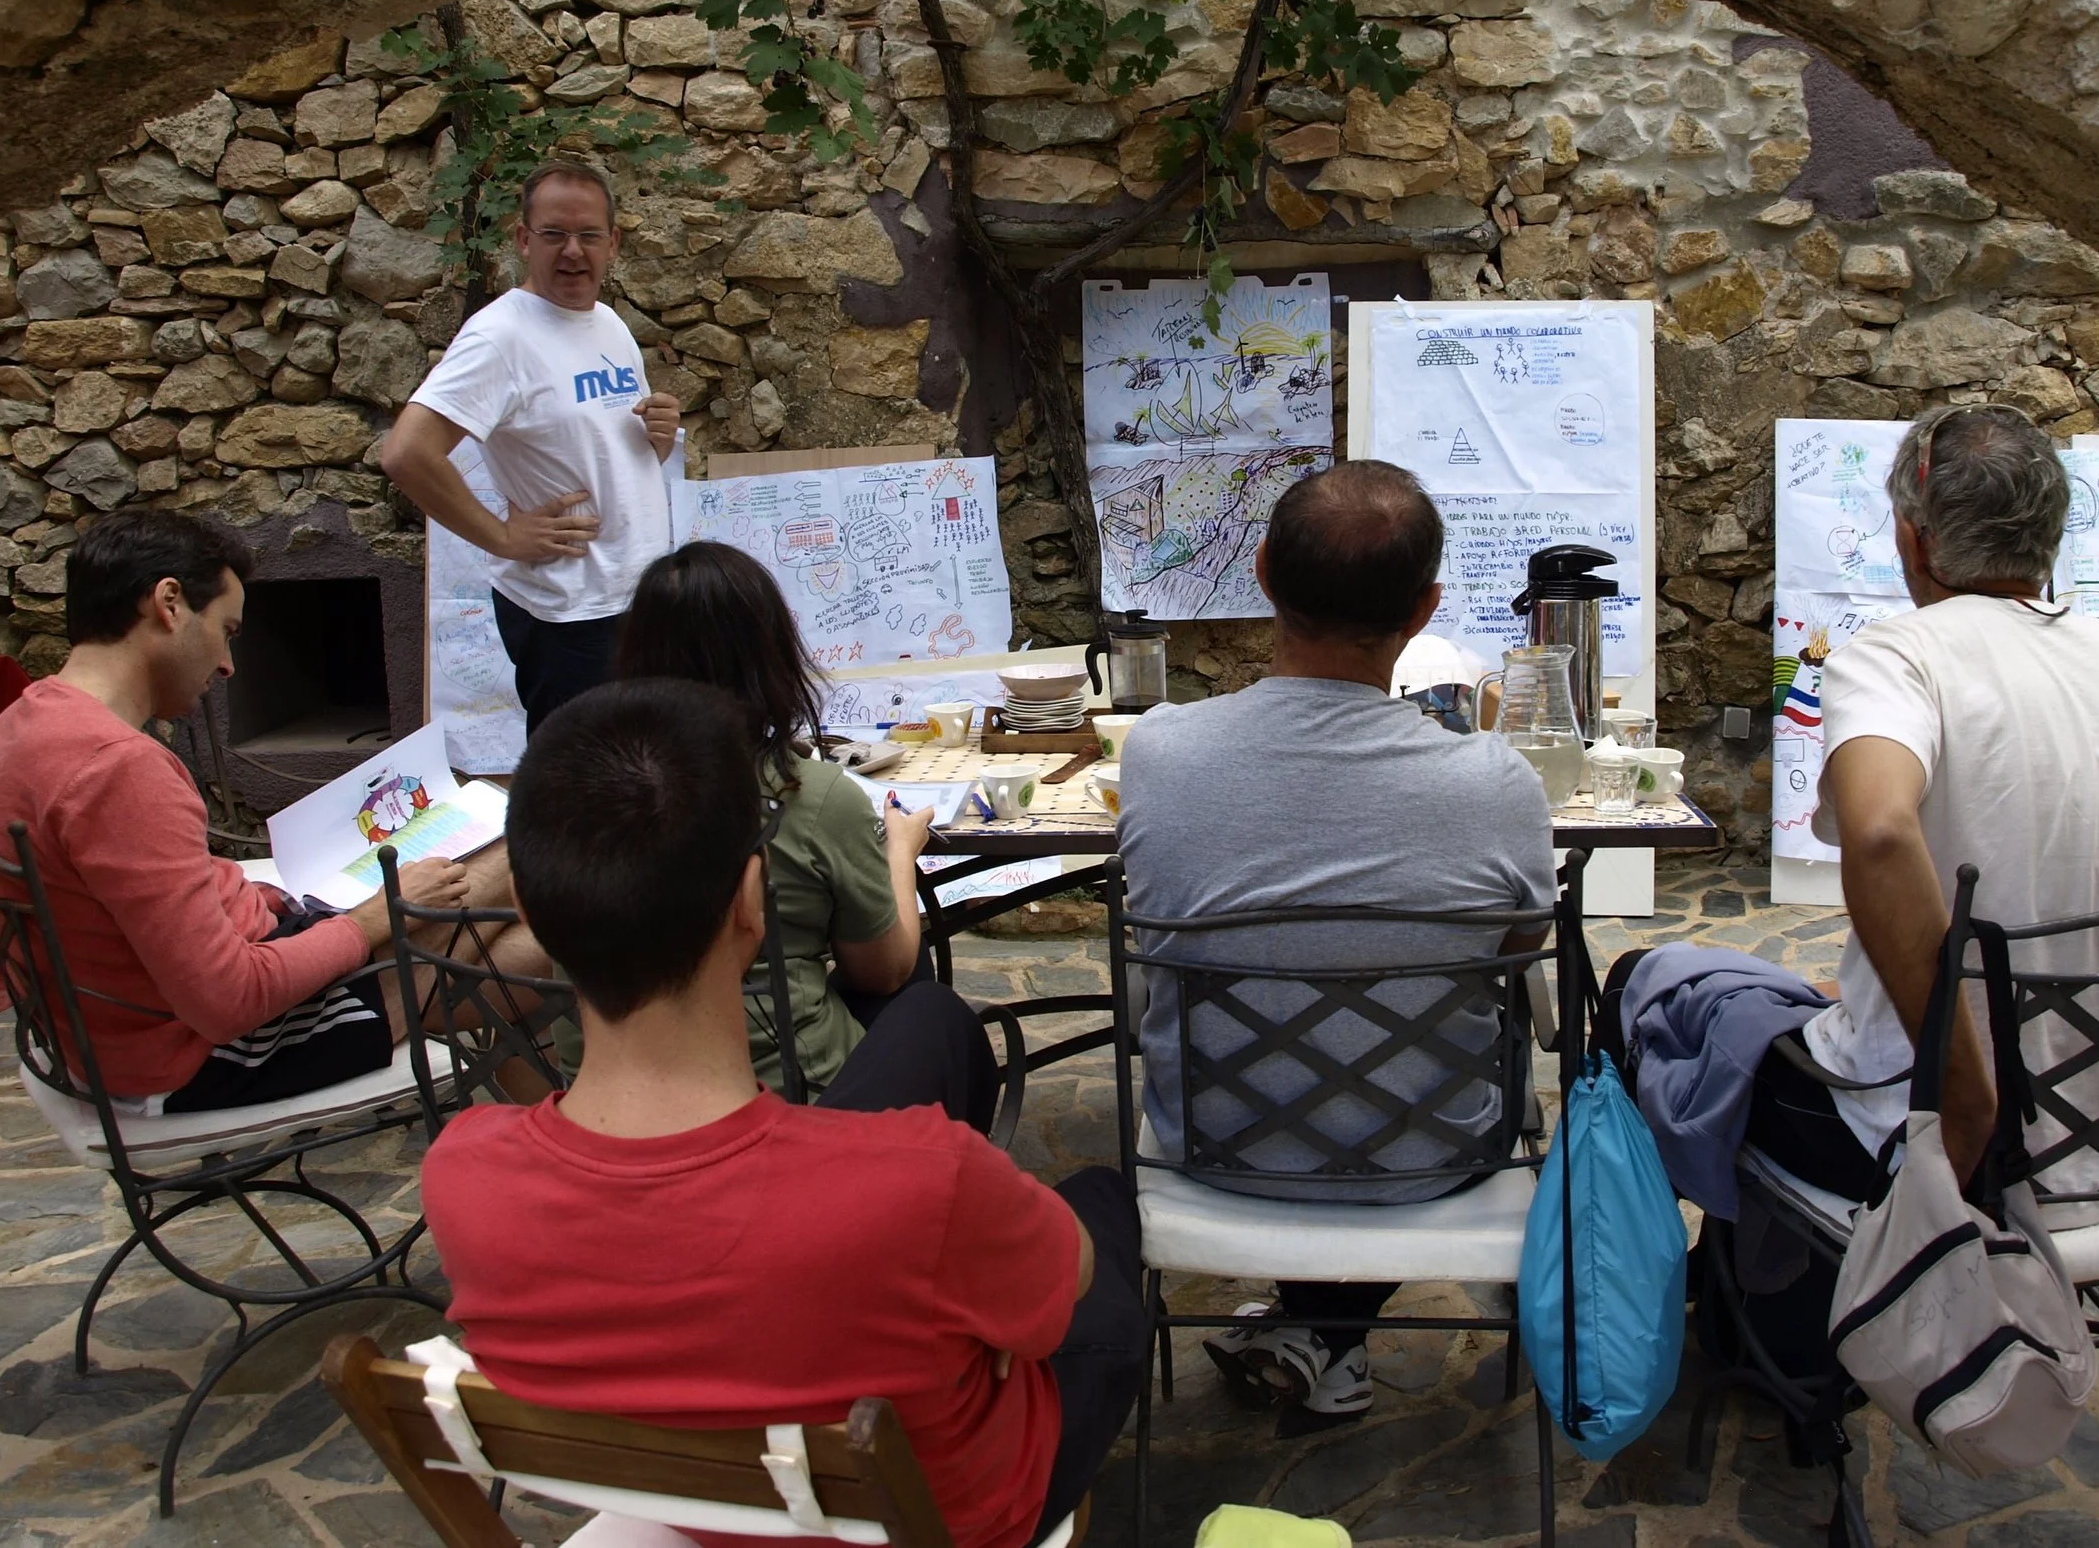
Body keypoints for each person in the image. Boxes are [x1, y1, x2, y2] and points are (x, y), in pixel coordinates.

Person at [421, 680, 1146, 1548]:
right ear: (751, 901)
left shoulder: (463, 1174)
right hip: (957, 1514)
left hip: (684, 1503)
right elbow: (1055, 1296)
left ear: (532, 914)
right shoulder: (924, 1178)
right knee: (1103, 1203)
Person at [1117, 460, 1556, 1426]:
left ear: (1264, 572)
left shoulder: (1160, 752)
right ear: (1427, 604)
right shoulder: (1495, 783)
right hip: (1434, 1153)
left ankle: (1315, 1331)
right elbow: (1518, 949)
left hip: (1216, 1146)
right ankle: (1328, 1335)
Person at [1771, 404, 2099, 1214]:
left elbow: (1875, 830)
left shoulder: (1898, 656)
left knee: (1662, 1005)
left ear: (1915, 538)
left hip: (1966, 1149)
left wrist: (1965, 1095)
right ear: (2049, 537)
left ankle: (1764, 1319)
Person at [0, 510, 504, 1112]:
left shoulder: (26, 720)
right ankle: (557, 1130)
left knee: (523, 925)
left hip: (126, 1031)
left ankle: (538, 1129)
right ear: (169, 604)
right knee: (522, 861)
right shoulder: (116, 769)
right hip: (202, 1055)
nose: (227, 665)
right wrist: (379, 917)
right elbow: (229, 1001)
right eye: (227, 630)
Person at [610, 542, 937, 1095]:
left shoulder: (592, 790)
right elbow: (885, 971)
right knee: (927, 1005)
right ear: (771, 655)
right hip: (788, 1084)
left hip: (616, 1083)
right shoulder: (808, 797)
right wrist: (899, 853)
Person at [380, 160, 680, 734]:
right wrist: (502, 536)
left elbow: (606, 454)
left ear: (612, 243)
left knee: (640, 772)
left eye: (589, 235)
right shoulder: (500, 336)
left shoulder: (609, 324)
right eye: (554, 235)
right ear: (523, 239)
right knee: (580, 786)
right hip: (565, 613)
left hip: (634, 597)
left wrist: (656, 439)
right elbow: (406, 452)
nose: (573, 251)